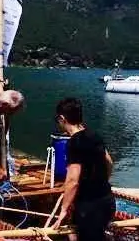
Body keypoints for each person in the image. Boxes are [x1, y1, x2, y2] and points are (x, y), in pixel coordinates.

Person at [47, 97, 115, 241]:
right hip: (107, 200)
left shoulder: (74, 143)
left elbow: (73, 180)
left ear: (62, 118)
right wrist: (101, 182)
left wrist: (64, 210)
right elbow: (109, 162)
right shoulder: (94, 135)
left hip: (90, 207)